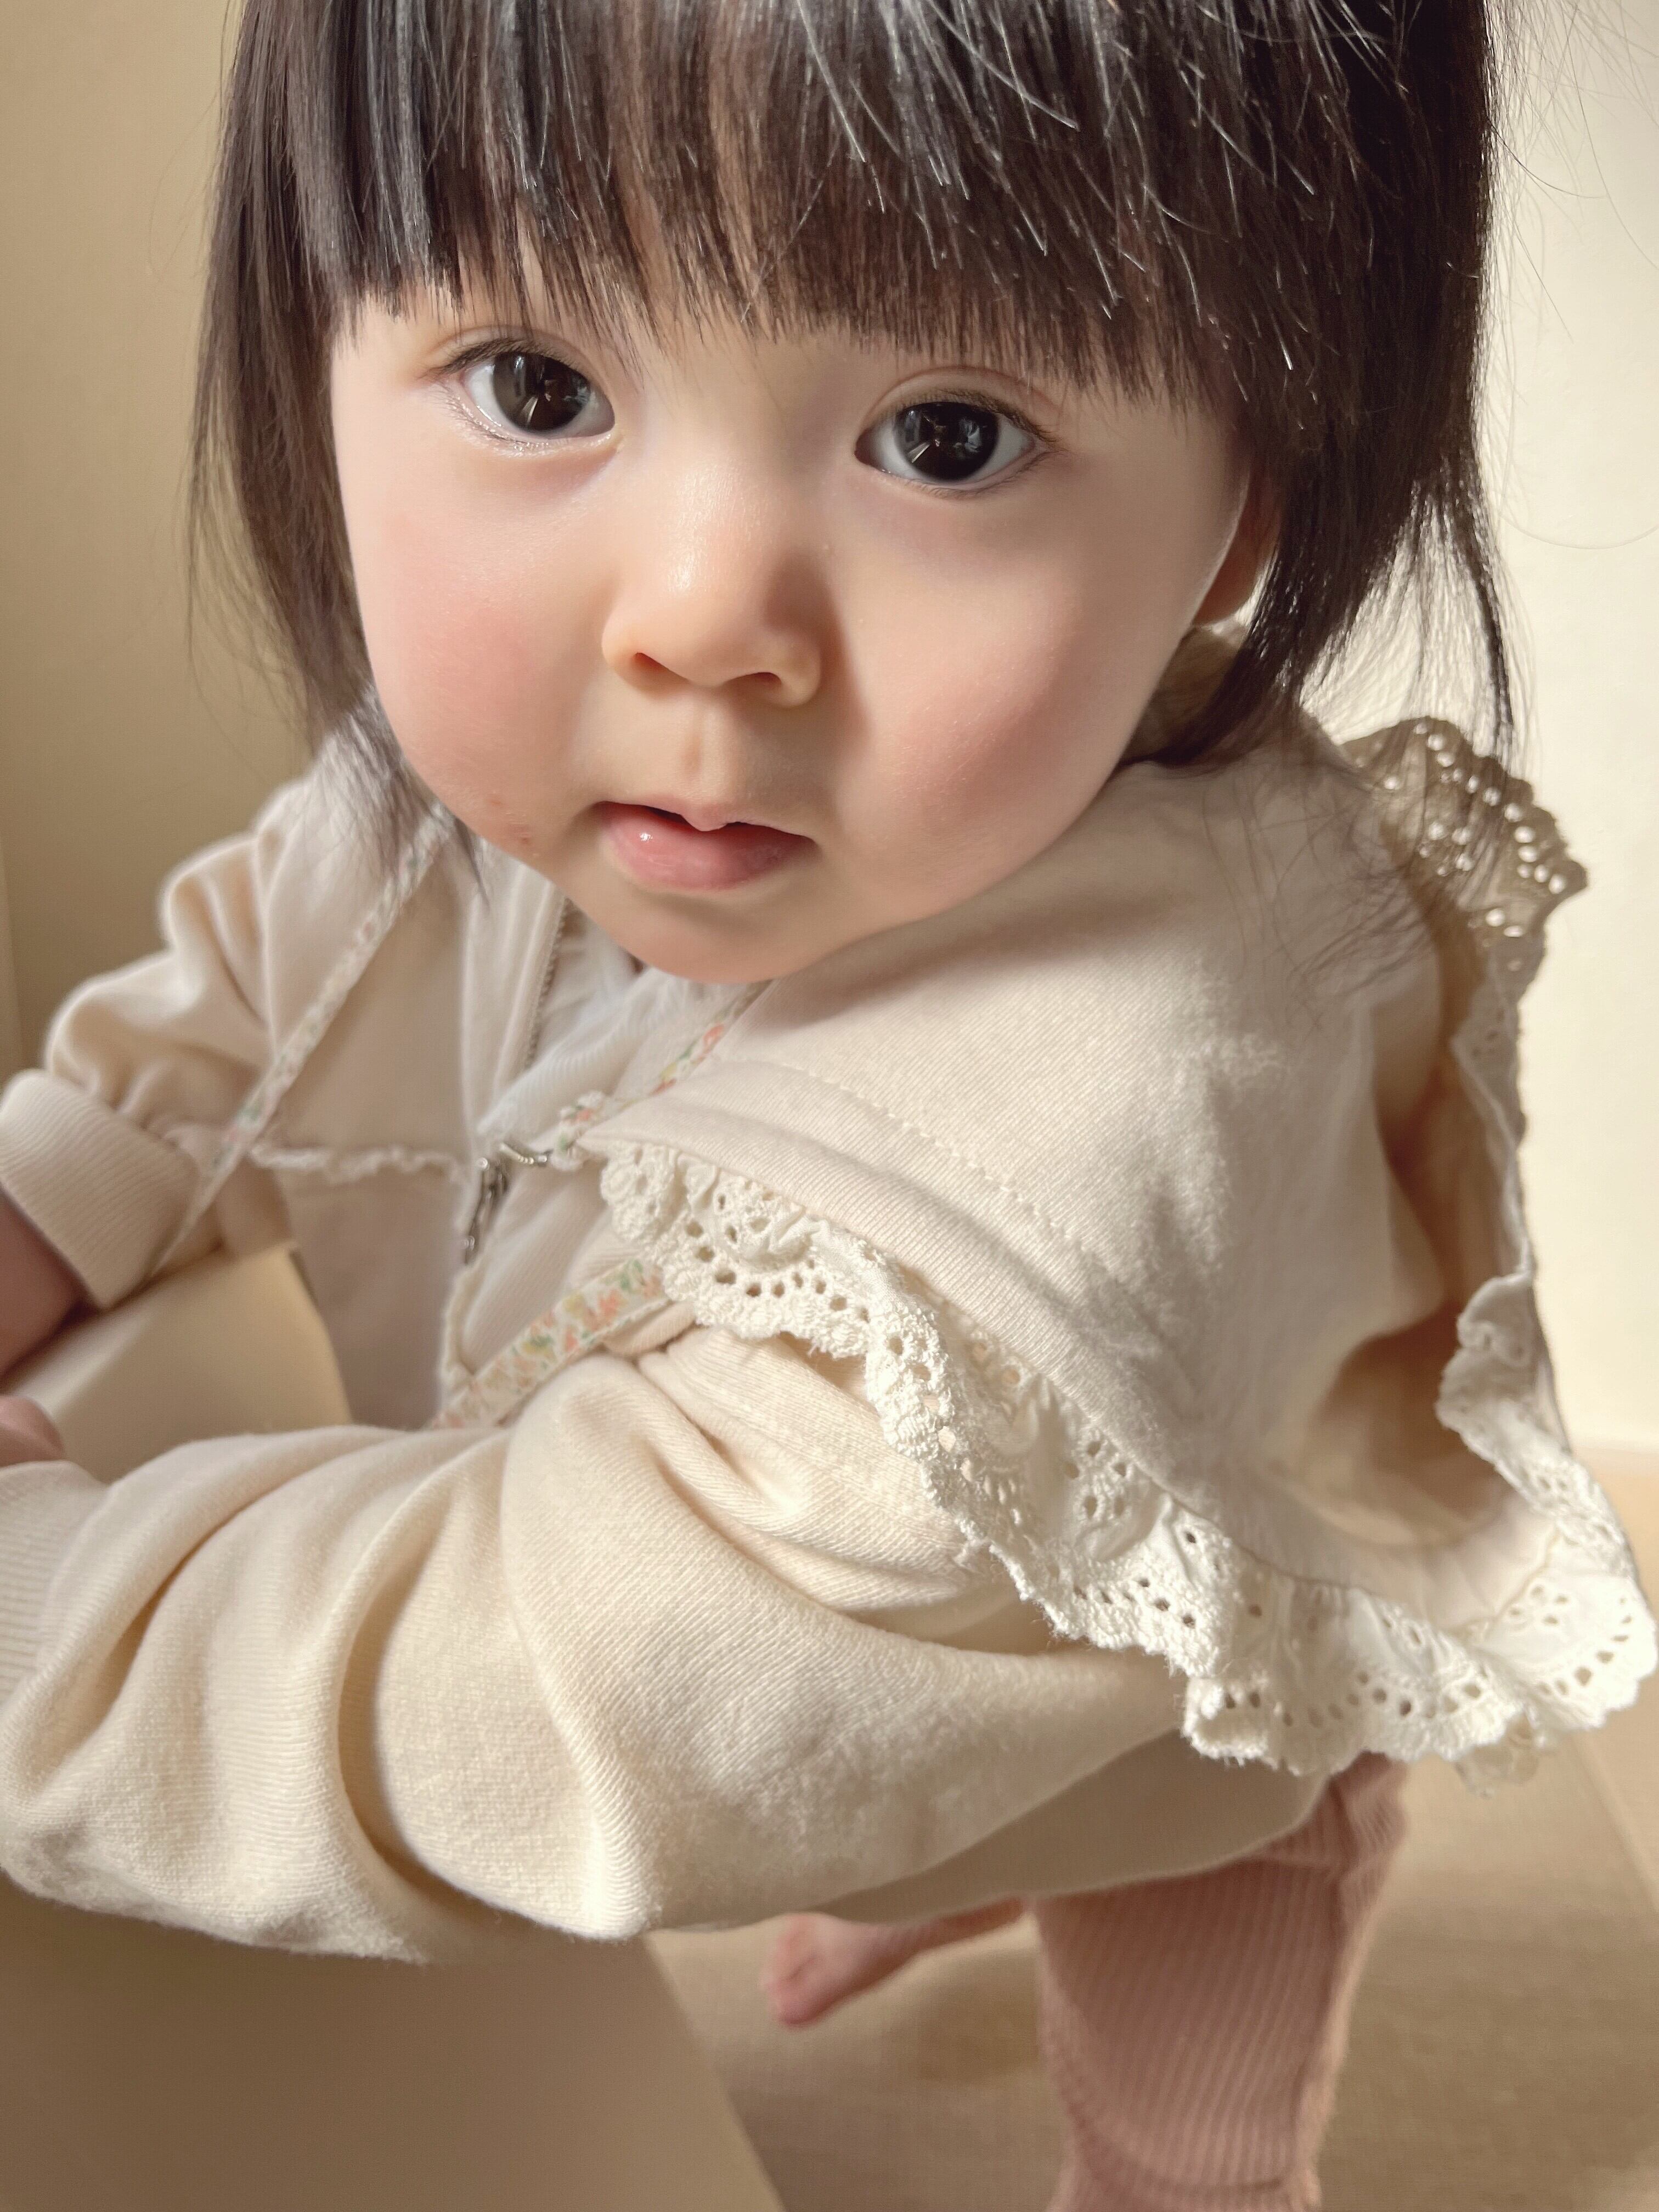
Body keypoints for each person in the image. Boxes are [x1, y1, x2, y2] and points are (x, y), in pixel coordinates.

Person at [0, 2, 1652, 2206]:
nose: (702, 624)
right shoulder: (538, 783)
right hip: (838, 1601)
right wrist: (59, 1190)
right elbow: (276, 979)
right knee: (894, 1725)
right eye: (539, 388)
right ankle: (932, 1772)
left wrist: (43, 1608)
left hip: (1164, 1604)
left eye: (947, 438)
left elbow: (533, 1689)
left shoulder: (1074, 1158)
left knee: (1211, 1819)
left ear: (1246, 503)